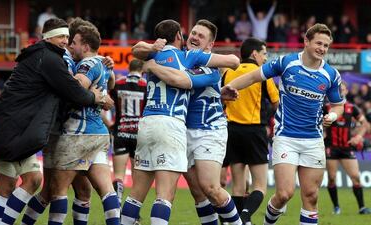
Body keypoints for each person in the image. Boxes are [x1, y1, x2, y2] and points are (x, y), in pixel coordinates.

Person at [0, 18, 105, 225]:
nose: (65, 41)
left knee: (6, 186)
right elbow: (74, 92)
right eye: (61, 36)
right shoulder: (49, 59)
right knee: (33, 180)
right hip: (17, 130)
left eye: (67, 37)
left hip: (10, 126)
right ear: (49, 37)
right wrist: (96, 97)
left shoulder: (39, 55)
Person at [120, 19, 240, 225]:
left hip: (165, 124)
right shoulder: (187, 56)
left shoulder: (159, 56)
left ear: (210, 45)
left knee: (138, 193)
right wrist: (151, 47)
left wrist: (152, 62)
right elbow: (140, 50)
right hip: (173, 126)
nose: (193, 37)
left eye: (200, 36)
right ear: (179, 37)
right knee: (169, 194)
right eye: (192, 33)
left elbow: (232, 62)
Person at [223, 23, 345, 225]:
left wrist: (332, 117)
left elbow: (338, 106)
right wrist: (229, 87)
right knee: (284, 194)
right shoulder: (287, 63)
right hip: (286, 137)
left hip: (313, 140)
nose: (322, 49)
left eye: (326, 46)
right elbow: (254, 76)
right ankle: (268, 222)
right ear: (306, 41)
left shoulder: (331, 75)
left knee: (311, 195)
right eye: (319, 43)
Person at [21, 17, 115, 225]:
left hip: (72, 133)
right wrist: (97, 94)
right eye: (66, 39)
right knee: (57, 191)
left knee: (69, 191)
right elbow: (72, 88)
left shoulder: (82, 61)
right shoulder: (63, 57)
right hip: (62, 129)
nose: (68, 44)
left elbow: (81, 85)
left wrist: (102, 80)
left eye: (70, 40)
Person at [222, 37, 279, 225]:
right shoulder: (262, 73)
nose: (265, 58)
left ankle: (236, 221)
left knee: (237, 187)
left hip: (232, 131)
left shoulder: (228, 72)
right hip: (254, 130)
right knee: (260, 186)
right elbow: (276, 102)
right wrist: (267, 119)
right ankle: (245, 216)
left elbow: (221, 100)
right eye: (264, 54)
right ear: (254, 54)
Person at [324, 81, 371, 215]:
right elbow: (319, 124)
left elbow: (365, 124)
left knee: (356, 177)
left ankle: (362, 208)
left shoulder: (352, 108)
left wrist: (359, 137)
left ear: (346, 92)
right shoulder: (326, 107)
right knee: (332, 178)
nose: (340, 92)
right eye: (338, 90)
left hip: (346, 147)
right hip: (331, 147)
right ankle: (336, 207)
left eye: (342, 89)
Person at [110, 59, 147, 205]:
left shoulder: (118, 83)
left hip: (121, 132)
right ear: (142, 70)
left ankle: (117, 206)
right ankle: (132, 215)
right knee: (137, 179)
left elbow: (103, 102)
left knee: (119, 175)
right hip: (139, 135)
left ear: (128, 67)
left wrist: (109, 124)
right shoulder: (146, 86)